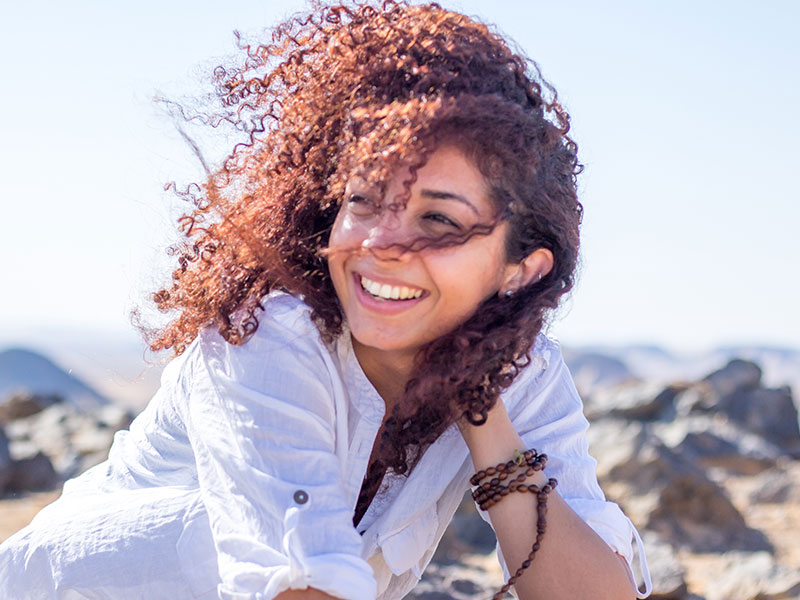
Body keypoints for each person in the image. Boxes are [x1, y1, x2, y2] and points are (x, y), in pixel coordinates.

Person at [0, 1, 652, 598]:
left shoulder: (524, 369)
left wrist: (485, 417)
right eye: (364, 201)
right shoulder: (267, 335)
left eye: (438, 221)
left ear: (520, 267)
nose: (382, 245)